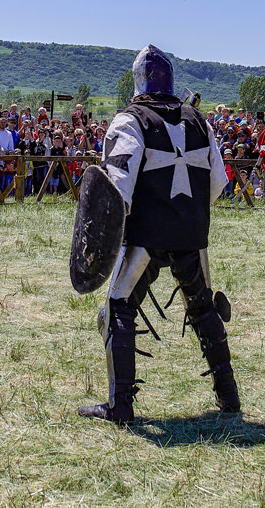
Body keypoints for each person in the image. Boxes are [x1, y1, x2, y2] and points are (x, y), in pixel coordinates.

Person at [78, 45, 238, 422]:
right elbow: (217, 184)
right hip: (192, 234)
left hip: (146, 237)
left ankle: (121, 406)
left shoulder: (129, 120)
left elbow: (116, 193)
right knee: (203, 308)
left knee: (117, 308)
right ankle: (229, 399)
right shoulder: (200, 121)